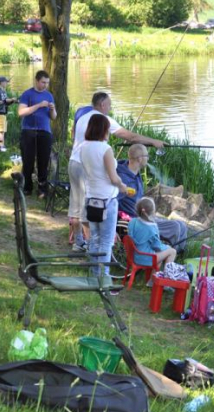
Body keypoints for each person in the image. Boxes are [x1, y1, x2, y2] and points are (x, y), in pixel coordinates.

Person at [68, 92, 165, 251]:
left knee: (76, 206)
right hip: (87, 166)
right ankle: (93, 247)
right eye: (110, 105)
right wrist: (154, 141)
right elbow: (130, 137)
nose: (110, 108)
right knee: (89, 207)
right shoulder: (102, 119)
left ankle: (79, 242)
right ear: (102, 105)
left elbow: (74, 134)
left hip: (74, 162)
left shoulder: (83, 115)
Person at [78, 114, 128, 275]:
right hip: (107, 200)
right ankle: (103, 277)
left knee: (94, 238)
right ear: (103, 130)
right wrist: (122, 186)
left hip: (91, 198)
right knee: (106, 241)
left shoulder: (83, 147)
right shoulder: (105, 149)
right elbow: (113, 178)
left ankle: (94, 273)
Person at [117, 144, 187, 251]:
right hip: (135, 221)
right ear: (140, 159)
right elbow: (112, 202)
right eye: (146, 155)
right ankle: (166, 255)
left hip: (144, 215)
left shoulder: (134, 172)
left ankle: (178, 253)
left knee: (182, 225)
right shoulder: (124, 180)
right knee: (175, 227)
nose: (148, 158)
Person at [17, 70, 56, 197]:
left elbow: (53, 117)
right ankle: (27, 187)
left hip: (44, 131)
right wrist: (38, 105)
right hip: (28, 130)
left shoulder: (49, 95)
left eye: (47, 83)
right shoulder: (27, 94)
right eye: (43, 82)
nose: (45, 85)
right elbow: (21, 112)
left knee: (43, 160)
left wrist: (52, 109)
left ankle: (42, 189)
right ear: (37, 80)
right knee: (28, 160)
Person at [128, 197, 177, 272]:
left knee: (161, 255)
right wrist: (166, 247)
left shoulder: (133, 221)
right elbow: (157, 247)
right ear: (152, 212)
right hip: (145, 258)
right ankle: (167, 278)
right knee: (172, 251)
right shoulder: (152, 228)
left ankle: (151, 281)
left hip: (133, 255)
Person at [0, 76, 16, 152]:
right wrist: (6, 101)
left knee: (3, 130)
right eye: (5, 82)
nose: (6, 83)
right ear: (1, 82)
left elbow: (6, 102)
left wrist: (12, 101)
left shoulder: (4, 91)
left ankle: (2, 145)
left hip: (3, 113)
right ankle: (1, 147)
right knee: (1, 131)